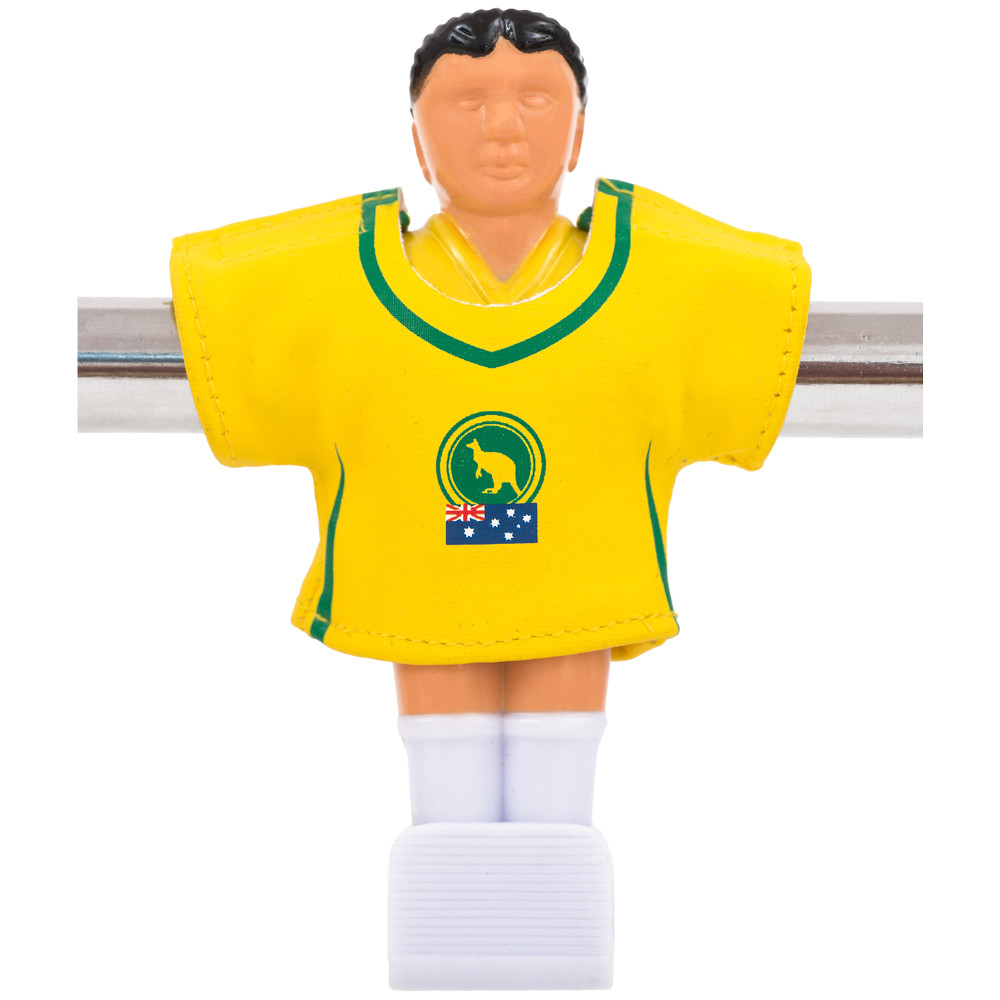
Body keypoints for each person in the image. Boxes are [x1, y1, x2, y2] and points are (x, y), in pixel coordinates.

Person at [169, 9, 810, 988]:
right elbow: (241, 313)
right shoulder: (337, 283)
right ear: (416, 136)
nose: (502, 127)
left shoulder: (663, 279)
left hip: (577, 590)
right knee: (446, 766)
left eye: (536, 99)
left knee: (559, 762)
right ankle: (454, 938)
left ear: (580, 130)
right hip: (424, 593)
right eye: (467, 102)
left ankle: (544, 931)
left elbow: (749, 316)